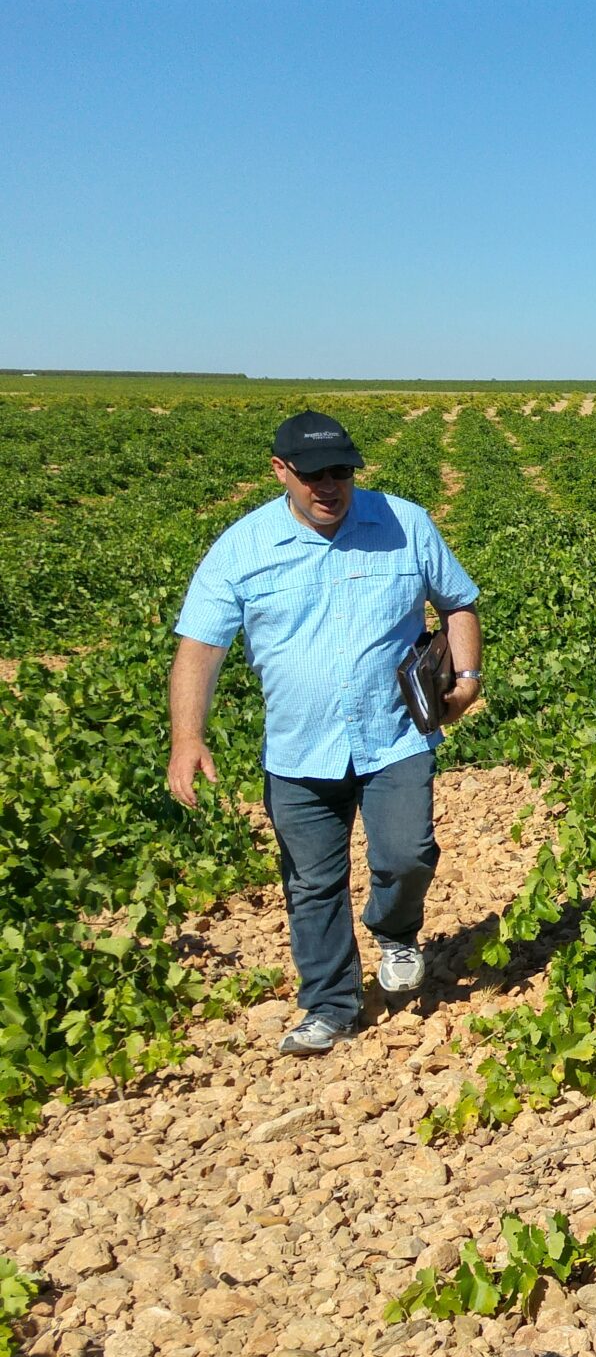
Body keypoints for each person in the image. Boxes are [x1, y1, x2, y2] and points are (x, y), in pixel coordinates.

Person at [167, 411, 485, 1056]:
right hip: (298, 747)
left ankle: (395, 932)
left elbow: (457, 602)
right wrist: (187, 738)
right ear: (280, 471)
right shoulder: (243, 547)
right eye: (313, 474)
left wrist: (469, 677)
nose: (329, 486)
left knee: (407, 855)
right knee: (312, 883)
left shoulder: (404, 523)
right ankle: (330, 1005)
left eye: (341, 471)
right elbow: (200, 646)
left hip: (394, 733)